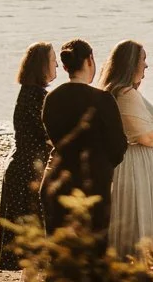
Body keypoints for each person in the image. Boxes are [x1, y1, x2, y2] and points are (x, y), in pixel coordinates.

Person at [40, 39, 126, 235]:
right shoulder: (103, 99)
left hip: (58, 181)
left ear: (64, 66)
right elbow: (118, 147)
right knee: (92, 252)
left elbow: (53, 136)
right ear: (90, 60)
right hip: (93, 184)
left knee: (60, 252)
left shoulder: (52, 98)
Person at [101, 39, 153, 257]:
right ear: (131, 63)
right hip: (134, 172)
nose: (146, 66)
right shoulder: (124, 94)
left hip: (139, 170)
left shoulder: (122, 92)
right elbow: (145, 136)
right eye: (143, 59)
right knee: (138, 221)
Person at [0, 41, 54, 271]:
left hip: (21, 163)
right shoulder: (37, 97)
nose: (57, 64)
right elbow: (48, 134)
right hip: (29, 167)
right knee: (32, 223)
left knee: (27, 224)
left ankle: (28, 281)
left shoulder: (28, 93)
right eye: (52, 60)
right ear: (42, 65)